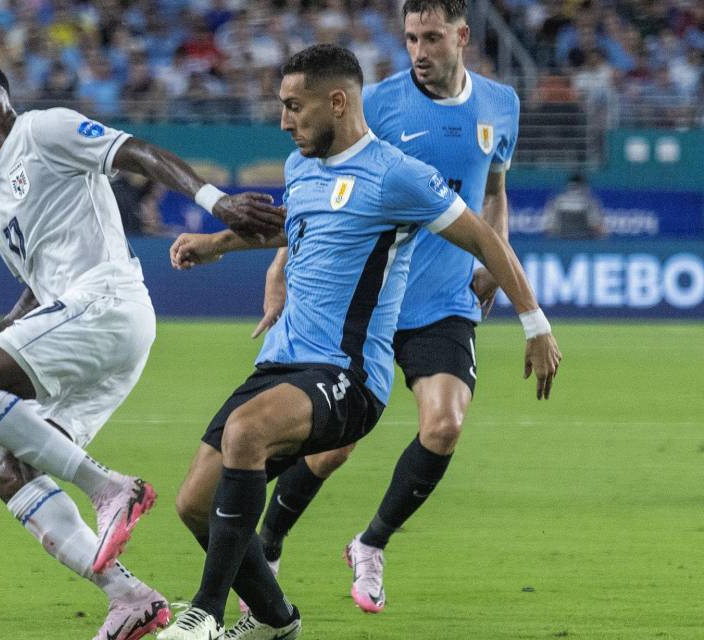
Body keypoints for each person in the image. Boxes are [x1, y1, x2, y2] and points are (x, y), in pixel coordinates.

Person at [159, 44, 560, 640]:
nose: (284, 120)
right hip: (282, 363)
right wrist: (216, 244)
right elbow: (295, 226)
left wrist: (535, 323)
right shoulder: (302, 167)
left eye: (294, 106)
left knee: (246, 431)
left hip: (347, 376)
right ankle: (276, 622)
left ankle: (205, 615)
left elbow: (484, 239)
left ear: (338, 103)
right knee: (194, 503)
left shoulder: (397, 175)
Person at [0, 56, 283, 640]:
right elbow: (38, 292)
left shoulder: (42, 130)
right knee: (8, 470)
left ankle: (108, 488)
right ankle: (130, 598)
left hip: (107, 303)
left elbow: (135, 151)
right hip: (83, 323)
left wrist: (216, 203)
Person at [236, 0, 526, 616]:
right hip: (363, 306)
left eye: (431, 37)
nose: (419, 51)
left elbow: (494, 192)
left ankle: (370, 543)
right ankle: (269, 539)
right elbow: (324, 188)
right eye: (410, 38)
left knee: (444, 424)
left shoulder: (501, 105)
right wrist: (280, 267)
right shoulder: (384, 103)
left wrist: (490, 260)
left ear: (462, 36)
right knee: (331, 447)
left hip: (442, 300)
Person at [544, 172, 607, 239]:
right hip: (585, 240)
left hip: (562, 239)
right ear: (584, 185)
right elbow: (597, 226)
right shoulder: (590, 201)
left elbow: (549, 228)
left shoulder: (556, 200)